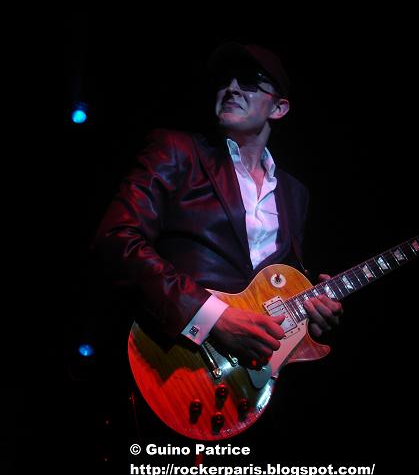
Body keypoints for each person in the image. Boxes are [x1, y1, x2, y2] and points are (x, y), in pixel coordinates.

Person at [93, 41, 342, 378]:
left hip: (246, 377)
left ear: (279, 108)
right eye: (227, 79)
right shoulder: (178, 150)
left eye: (249, 81)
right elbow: (117, 238)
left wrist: (312, 314)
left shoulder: (295, 193)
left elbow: (275, 284)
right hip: (175, 360)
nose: (232, 88)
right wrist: (213, 317)